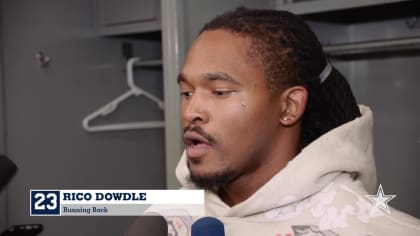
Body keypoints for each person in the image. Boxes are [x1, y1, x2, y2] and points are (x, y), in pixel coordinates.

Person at [129, 7, 420, 236]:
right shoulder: (161, 221)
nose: (191, 110)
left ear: (289, 106)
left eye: (220, 92)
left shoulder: (375, 230)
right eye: (186, 92)